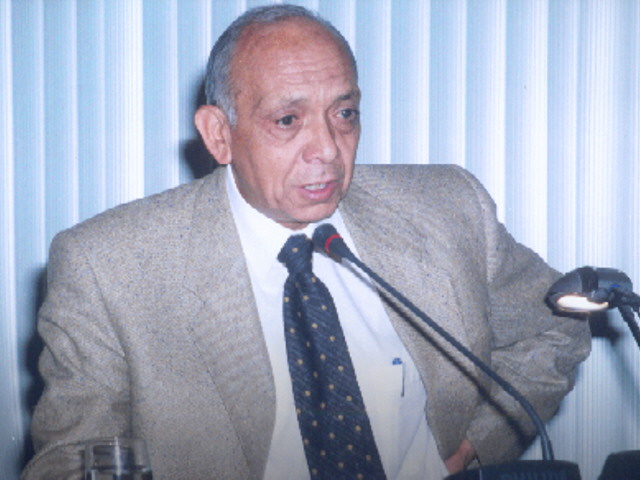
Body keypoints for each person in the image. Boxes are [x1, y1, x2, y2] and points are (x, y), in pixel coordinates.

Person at [22, 4, 591, 480]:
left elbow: (558, 326)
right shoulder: (109, 267)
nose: (328, 149)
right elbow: (68, 464)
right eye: (287, 121)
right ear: (219, 134)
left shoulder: (447, 209)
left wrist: (474, 446)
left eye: (344, 113)